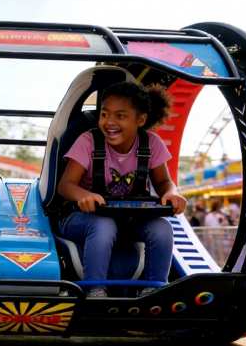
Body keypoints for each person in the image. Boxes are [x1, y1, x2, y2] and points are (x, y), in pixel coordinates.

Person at [56, 80, 187, 297]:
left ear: (141, 120)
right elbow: (65, 185)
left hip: (130, 219)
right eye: (105, 114)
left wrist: (171, 193)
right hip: (81, 217)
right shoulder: (88, 141)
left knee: (162, 228)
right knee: (104, 225)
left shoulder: (152, 143)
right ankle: (95, 290)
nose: (109, 122)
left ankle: (154, 289)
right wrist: (85, 196)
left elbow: (164, 182)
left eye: (120, 116)